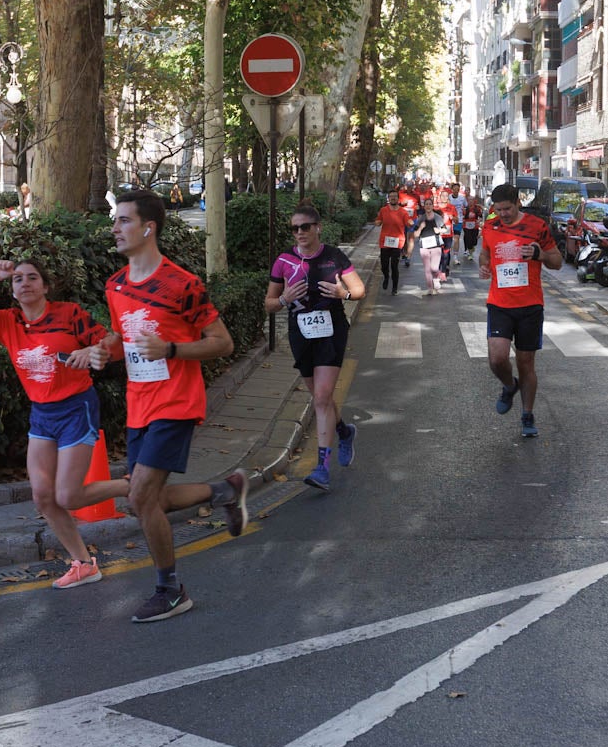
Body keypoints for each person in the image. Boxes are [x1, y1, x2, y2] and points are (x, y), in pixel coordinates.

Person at [104, 189, 246, 622]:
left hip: (176, 401)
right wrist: (99, 351)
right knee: (147, 500)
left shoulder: (182, 285)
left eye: (123, 220)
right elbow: (121, 342)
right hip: (138, 403)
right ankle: (225, 490)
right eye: (115, 220)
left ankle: (170, 589)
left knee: (141, 494)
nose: (115, 229)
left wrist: (170, 349)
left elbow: (223, 343)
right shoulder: (115, 285)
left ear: (149, 228)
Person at [0, 258, 124, 590]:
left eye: (33, 277)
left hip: (76, 407)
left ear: (45, 286)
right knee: (43, 497)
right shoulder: (9, 322)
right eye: (18, 279)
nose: (25, 283)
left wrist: (92, 350)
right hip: (42, 414)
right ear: (13, 291)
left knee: (68, 496)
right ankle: (82, 563)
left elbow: (112, 345)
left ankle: (133, 485)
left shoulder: (69, 314)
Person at [266, 205, 365, 492]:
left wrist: (342, 293)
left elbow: (358, 291)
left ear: (318, 227)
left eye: (305, 227)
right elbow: (269, 304)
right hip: (301, 332)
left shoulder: (334, 256)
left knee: (322, 397)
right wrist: (283, 299)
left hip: (331, 329)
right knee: (319, 396)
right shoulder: (283, 261)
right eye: (294, 228)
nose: (299, 233)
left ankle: (322, 468)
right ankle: (344, 432)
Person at [479, 182, 562, 439]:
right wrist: (484, 266)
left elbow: (557, 261)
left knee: (526, 363)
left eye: (507, 209)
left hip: (530, 305)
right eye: (498, 209)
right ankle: (508, 385)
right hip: (499, 303)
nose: (502, 214)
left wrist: (540, 255)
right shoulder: (490, 225)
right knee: (497, 358)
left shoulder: (537, 227)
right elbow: (485, 254)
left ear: (518, 202)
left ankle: (527, 415)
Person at [408, 201, 448, 296]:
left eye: (430, 204)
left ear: (432, 206)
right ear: (424, 206)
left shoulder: (437, 217)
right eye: (426, 204)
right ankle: (430, 288)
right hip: (424, 246)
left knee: (434, 268)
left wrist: (439, 230)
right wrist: (421, 228)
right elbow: (415, 235)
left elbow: (445, 229)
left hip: (436, 246)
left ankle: (437, 277)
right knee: (427, 269)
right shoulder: (421, 218)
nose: (428, 206)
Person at [376, 190, 410, 295]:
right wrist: (377, 222)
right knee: (384, 265)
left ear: (398, 198)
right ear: (388, 199)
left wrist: (411, 223)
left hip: (398, 241)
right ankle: (386, 276)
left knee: (394, 266)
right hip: (385, 241)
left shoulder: (403, 212)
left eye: (395, 196)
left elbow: (408, 222)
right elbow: (378, 221)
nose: (393, 198)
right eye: (391, 197)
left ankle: (394, 288)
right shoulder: (383, 210)